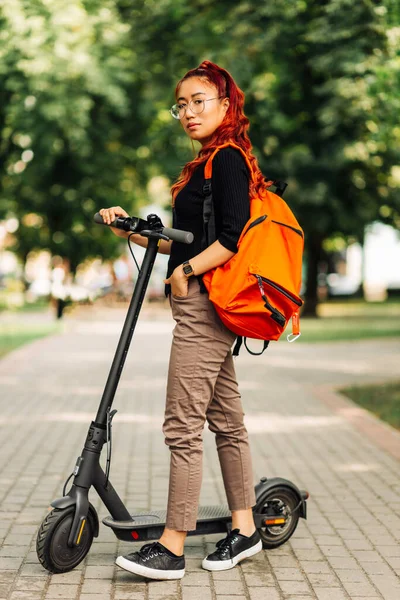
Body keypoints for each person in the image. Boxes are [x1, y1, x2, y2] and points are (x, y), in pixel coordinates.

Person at [100, 60, 269, 581]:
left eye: (200, 100)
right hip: (200, 300)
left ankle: (172, 546)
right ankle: (244, 530)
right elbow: (185, 238)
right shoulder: (203, 167)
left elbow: (232, 238)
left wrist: (186, 273)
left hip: (205, 304)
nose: (189, 111)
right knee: (227, 422)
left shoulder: (230, 160)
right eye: (182, 104)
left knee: (181, 426)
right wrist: (128, 229)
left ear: (226, 104)